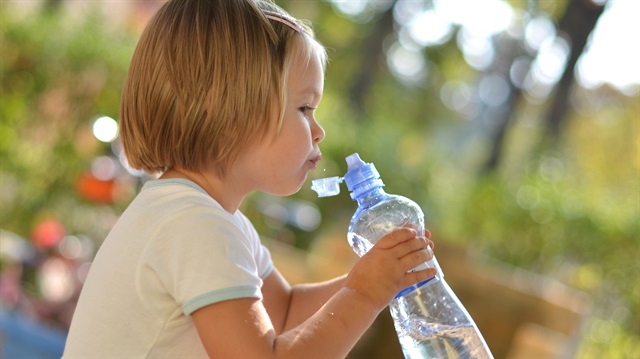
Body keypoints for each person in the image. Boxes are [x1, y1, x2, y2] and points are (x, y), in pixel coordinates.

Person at [63, 0, 436, 357]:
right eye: (304, 108)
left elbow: (285, 312)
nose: (318, 131)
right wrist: (364, 294)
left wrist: (381, 275)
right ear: (226, 109)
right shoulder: (196, 226)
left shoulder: (213, 220)